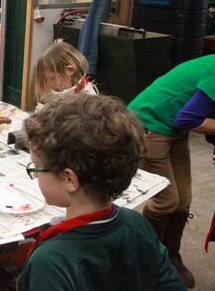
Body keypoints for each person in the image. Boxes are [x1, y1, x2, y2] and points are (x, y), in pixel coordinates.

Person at [17, 94, 185, 291]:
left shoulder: (50, 261)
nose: (36, 175)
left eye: (37, 168)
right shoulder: (136, 223)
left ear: (69, 179)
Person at [127, 54, 215, 288]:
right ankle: (145, 258)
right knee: (167, 201)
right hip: (149, 121)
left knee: (184, 199)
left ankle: (170, 255)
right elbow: (187, 118)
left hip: (174, 127)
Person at [32, 41, 97, 110]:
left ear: (70, 70)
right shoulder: (57, 92)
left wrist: (48, 115)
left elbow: (78, 120)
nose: (50, 84)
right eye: (47, 79)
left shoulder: (87, 98)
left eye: (52, 78)